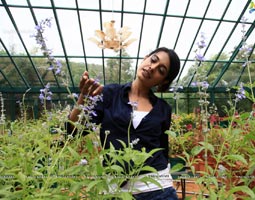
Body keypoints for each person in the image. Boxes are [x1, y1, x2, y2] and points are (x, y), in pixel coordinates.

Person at [67, 47, 180, 199]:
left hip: (157, 189)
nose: (152, 68)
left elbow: (162, 147)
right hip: (115, 189)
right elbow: (74, 131)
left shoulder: (163, 109)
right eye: (153, 60)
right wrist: (83, 99)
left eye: (161, 70)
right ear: (145, 58)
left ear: (163, 81)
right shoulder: (109, 94)